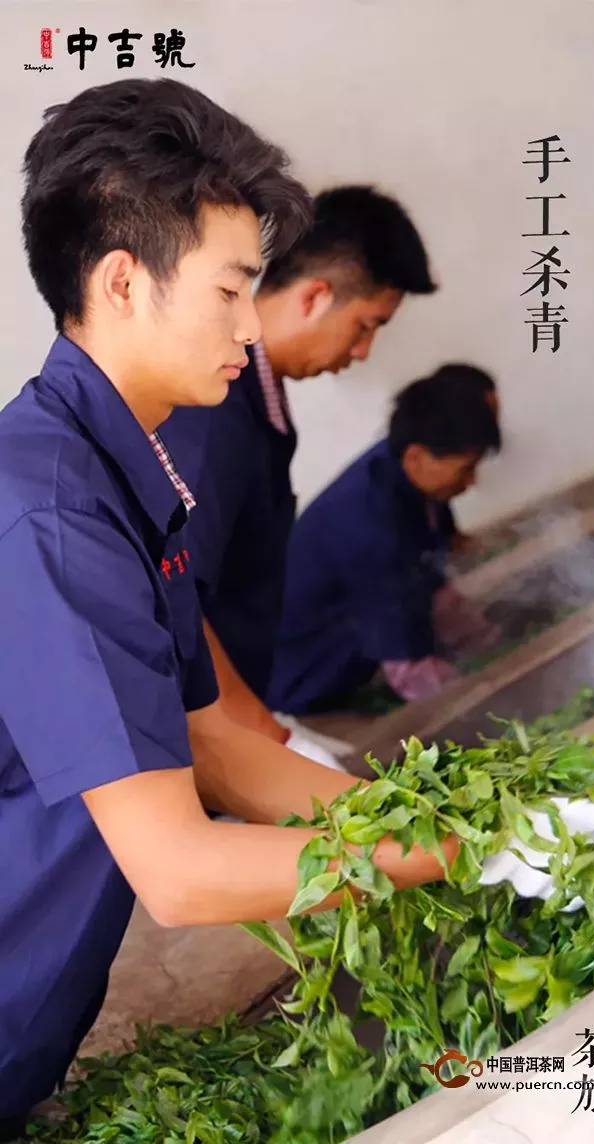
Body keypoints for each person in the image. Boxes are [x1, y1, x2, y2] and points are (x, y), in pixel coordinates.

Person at [0, 79, 457, 1135]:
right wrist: (457, 857)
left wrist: (426, 822)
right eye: (230, 289)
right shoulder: (54, 508)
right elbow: (177, 871)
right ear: (123, 281)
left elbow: (214, 741)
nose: (251, 327)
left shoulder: (125, 471)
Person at [160, 185, 437, 749]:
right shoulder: (217, 412)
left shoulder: (256, 399)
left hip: (239, 711)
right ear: (314, 296)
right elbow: (174, 598)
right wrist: (265, 739)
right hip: (202, 733)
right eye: (366, 326)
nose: (362, 352)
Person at [266, 367, 502, 715]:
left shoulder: (402, 471)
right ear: (416, 457)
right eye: (464, 469)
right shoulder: (368, 531)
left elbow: (431, 580)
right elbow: (409, 667)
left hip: (356, 638)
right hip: (308, 677)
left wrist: (482, 640)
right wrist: (485, 703)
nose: (472, 482)